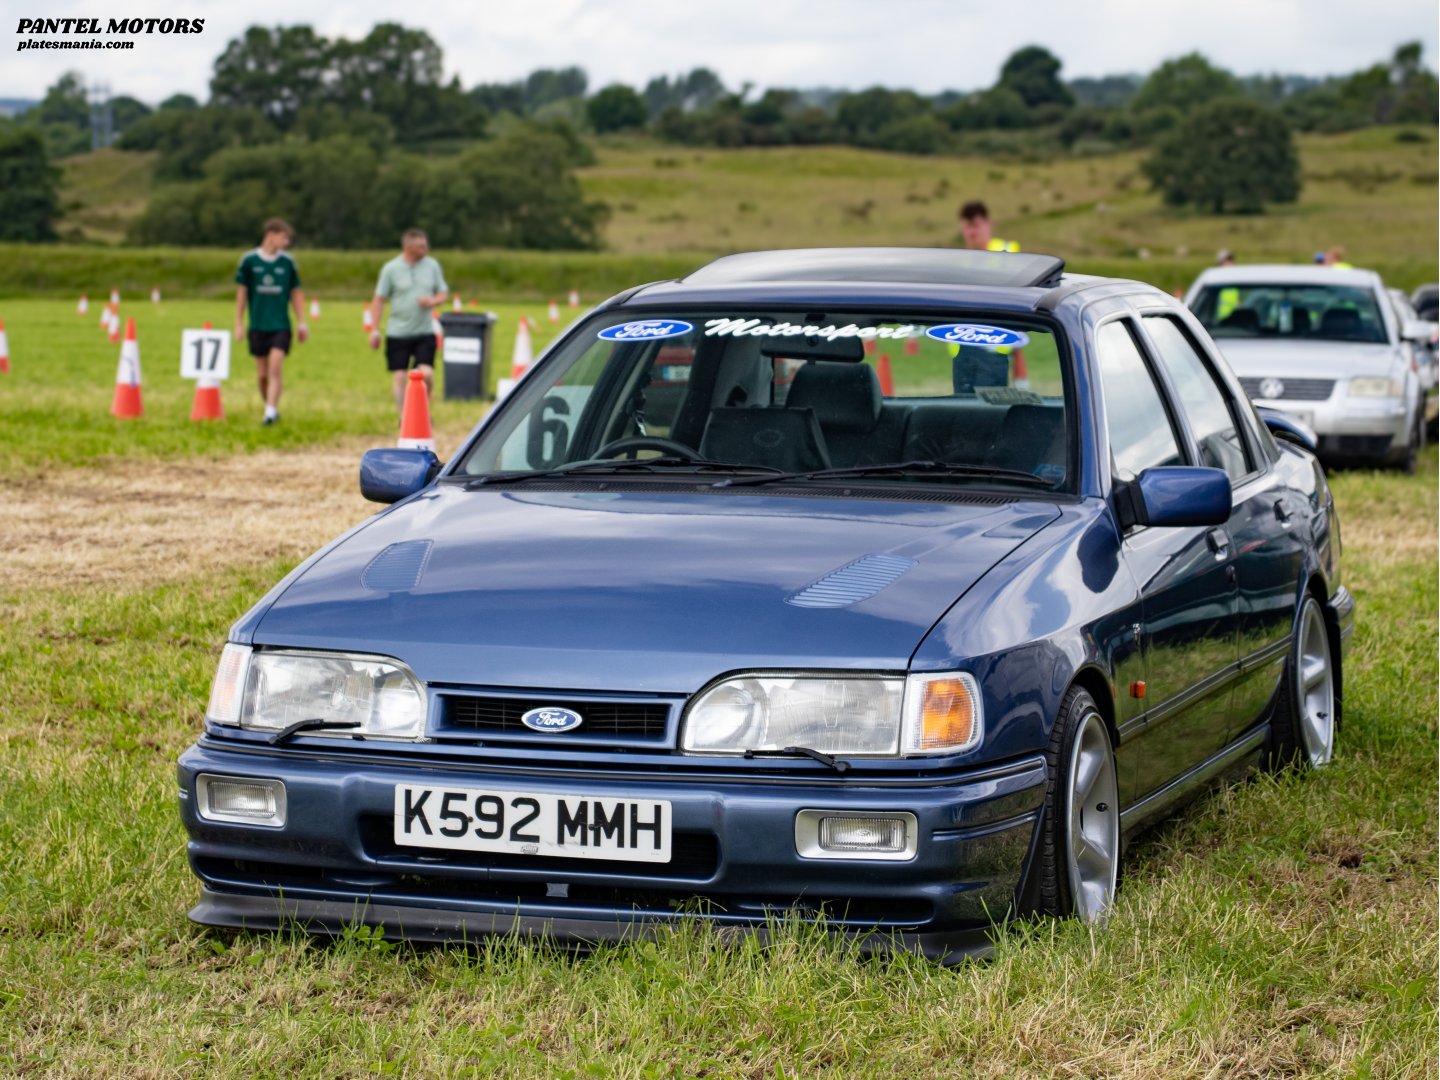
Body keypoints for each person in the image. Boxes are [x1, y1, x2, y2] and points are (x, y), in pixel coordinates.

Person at [234, 218, 307, 425]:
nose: (286, 243)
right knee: (262, 375)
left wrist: (302, 321)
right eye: (284, 238)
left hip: (280, 325)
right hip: (258, 325)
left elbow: (296, 293)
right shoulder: (249, 261)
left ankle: (270, 412)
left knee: (275, 368)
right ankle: (270, 407)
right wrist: (238, 323)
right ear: (270, 235)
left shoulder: (288, 263)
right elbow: (242, 293)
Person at [369, 229, 449, 413]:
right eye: (421, 246)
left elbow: (443, 293)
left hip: (424, 331)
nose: (426, 248)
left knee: (426, 373)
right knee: (399, 376)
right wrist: (374, 329)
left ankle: (422, 409)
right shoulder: (391, 269)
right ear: (408, 247)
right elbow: (379, 299)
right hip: (398, 332)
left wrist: (432, 301)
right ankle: (403, 418)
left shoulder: (432, 266)